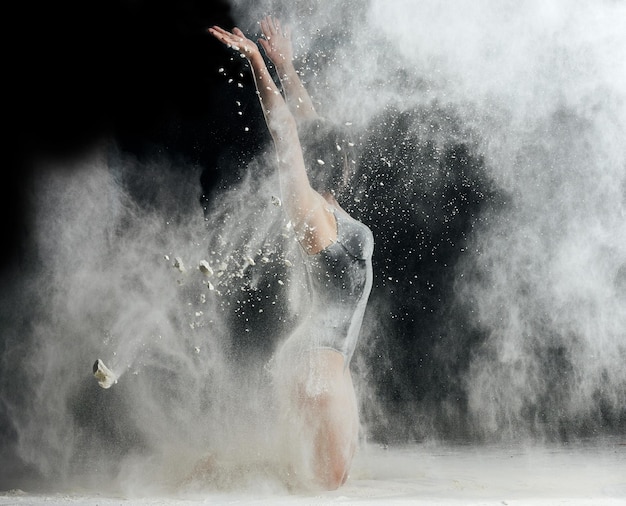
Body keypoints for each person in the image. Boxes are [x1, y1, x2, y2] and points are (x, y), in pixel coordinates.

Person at [209, 16, 374, 490]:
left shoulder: (332, 209)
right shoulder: (312, 216)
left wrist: (287, 64)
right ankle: (212, 477)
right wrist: (259, 64)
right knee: (325, 489)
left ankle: (219, 474)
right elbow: (287, 134)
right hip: (318, 372)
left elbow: (305, 124)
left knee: (310, 483)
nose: (343, 153)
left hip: (321, 369)